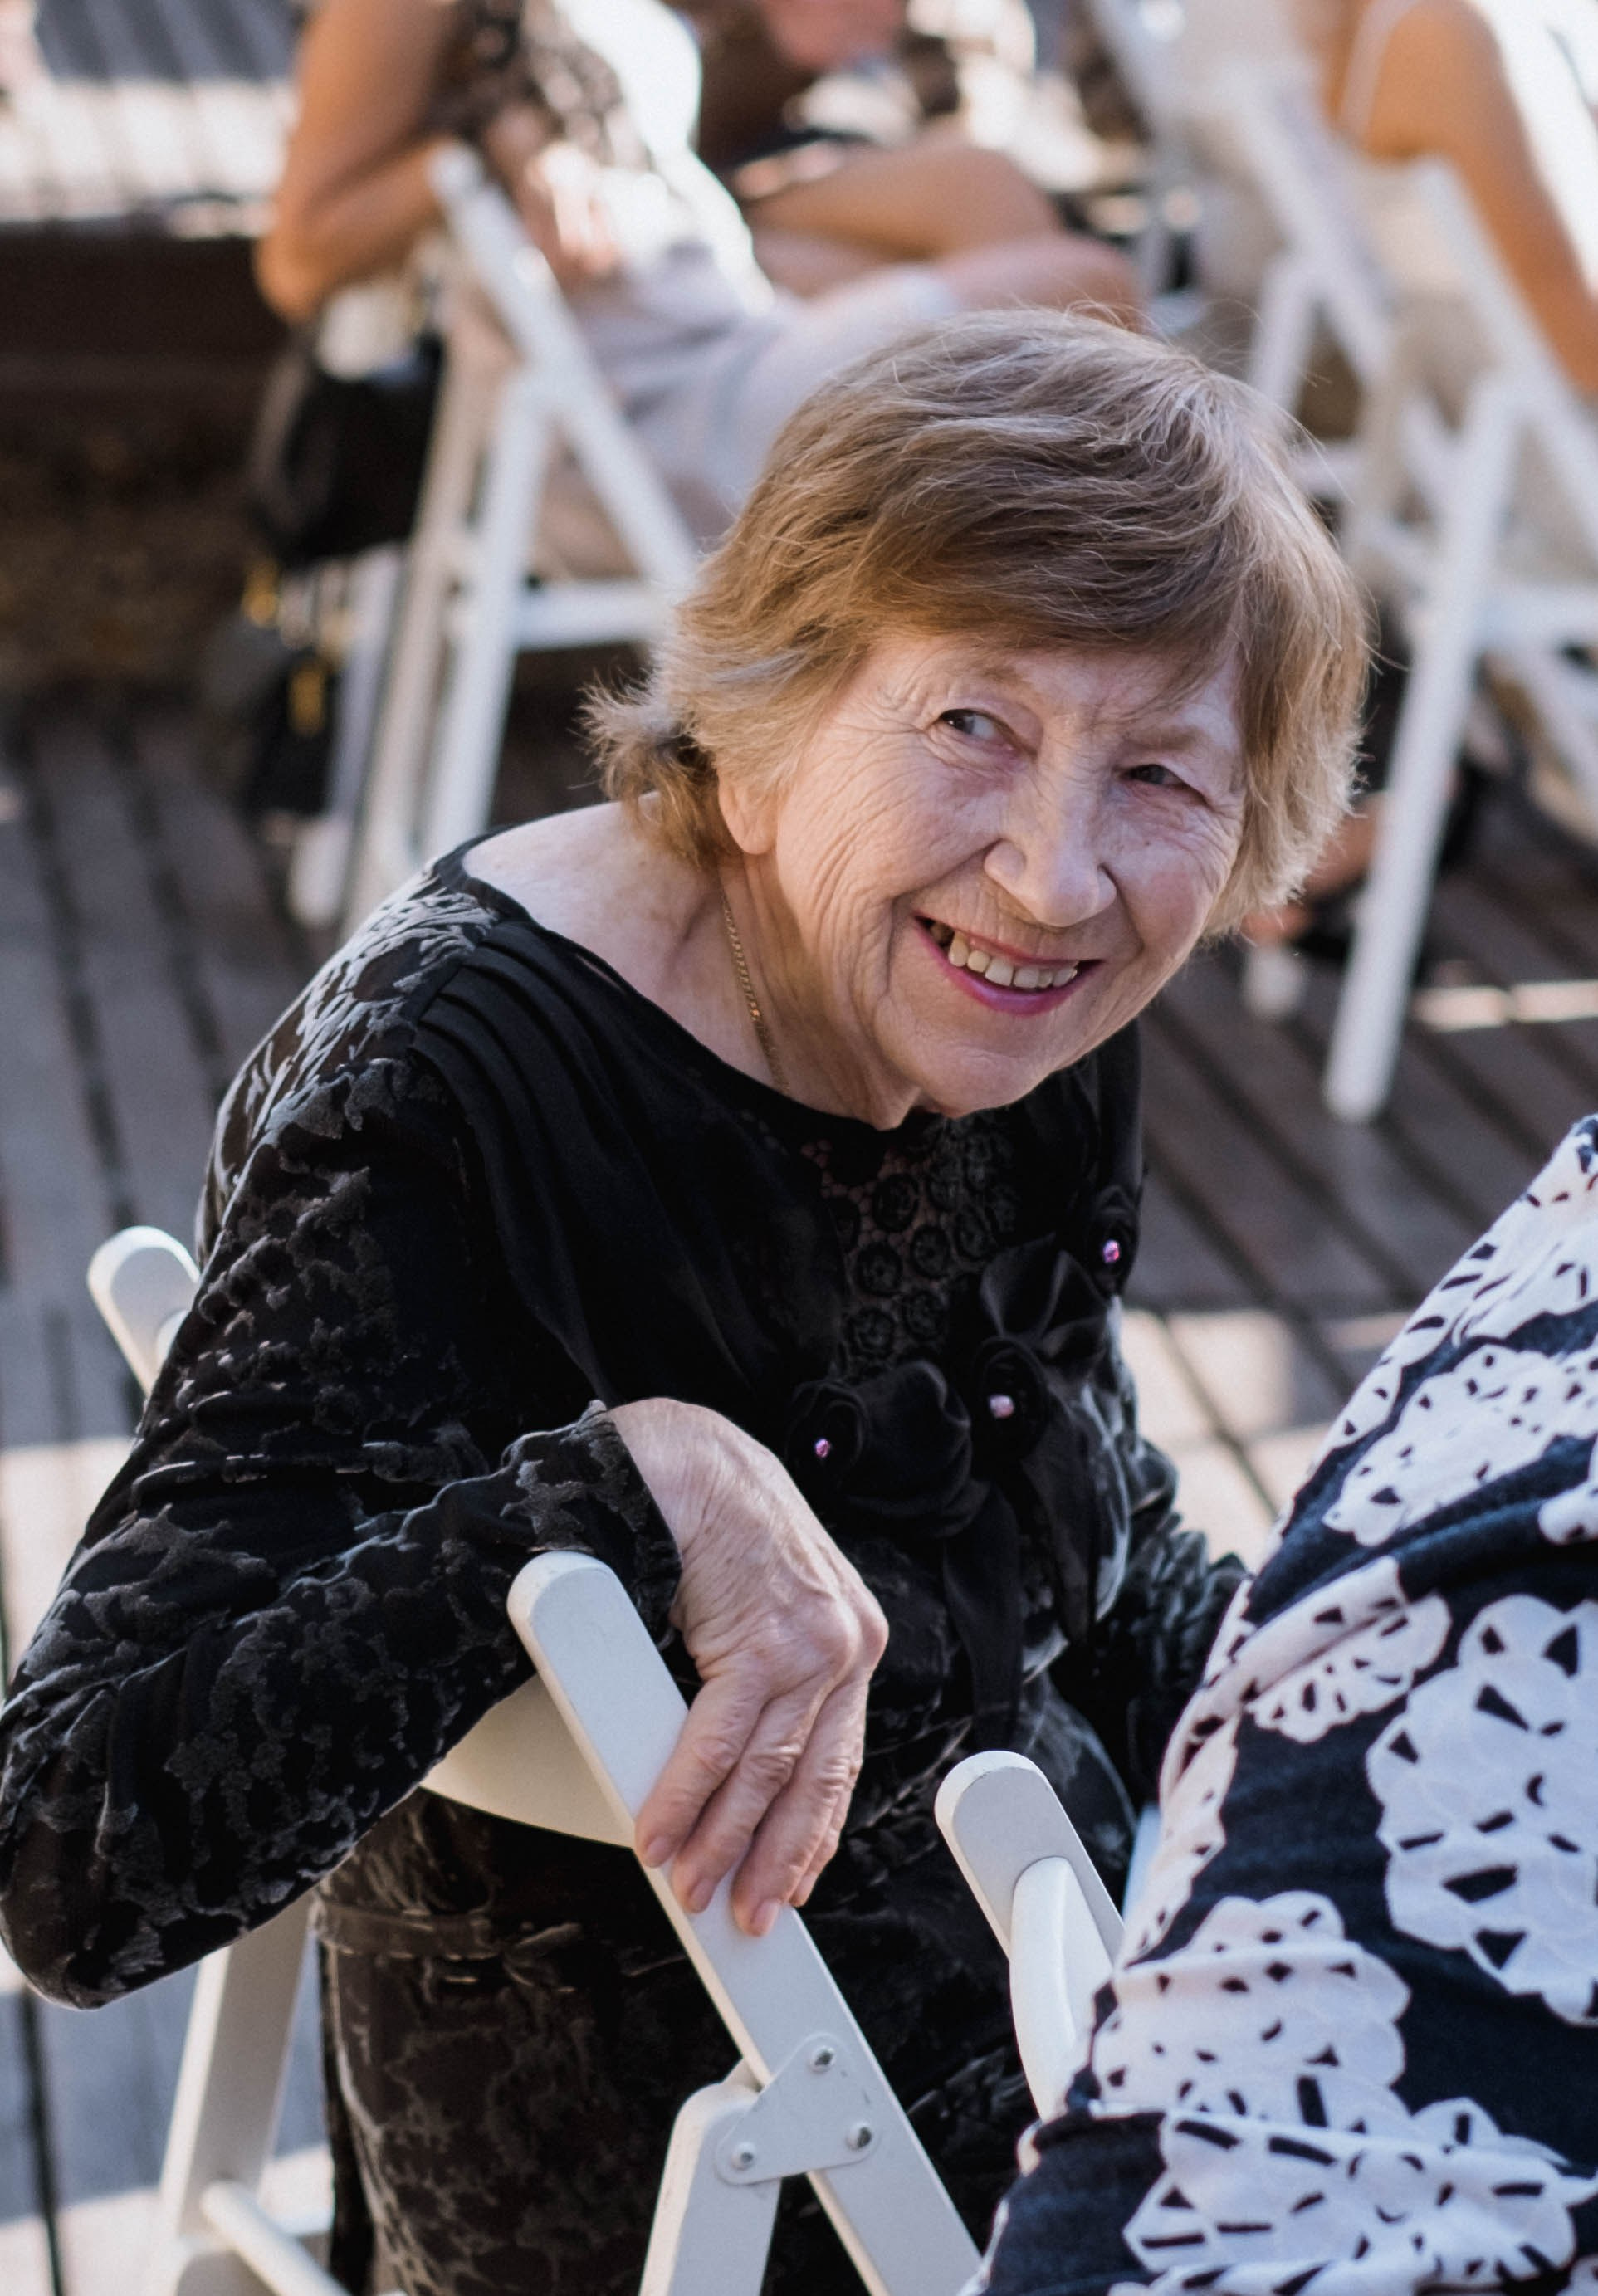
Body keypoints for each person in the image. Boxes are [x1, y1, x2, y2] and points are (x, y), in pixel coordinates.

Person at [0, 313, 1365, 2294]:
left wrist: (1363, 1754)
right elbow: (70, 1854)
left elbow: (1076, 1519)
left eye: (1158, 770)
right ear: (767, 724)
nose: (1056, 876)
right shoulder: (459, 1095)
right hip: (705, 2197)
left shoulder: (1008, 1011)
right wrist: (624, 1488)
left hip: (1084, 2030)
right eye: (969, 724)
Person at [976, 1111, 1598, 2294]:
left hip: (1111, 1983)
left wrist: (1295, 1683)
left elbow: (1105, 1558)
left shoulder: (1051, 1086)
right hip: (921, 2105)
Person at [255, 0, 1140, 541]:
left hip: (705, 318)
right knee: (1085, 289)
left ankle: (1034, 640)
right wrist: (487, 146)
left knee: (983, 203)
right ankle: (1096, 628)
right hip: (642, 424)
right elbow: (297, 260)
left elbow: (657, 129)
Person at [1308, 0, 1598, 396]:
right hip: (1543, 398)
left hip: (1498, 379)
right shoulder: (1440, 35)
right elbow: (1581, 342)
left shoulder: (1391, 28)